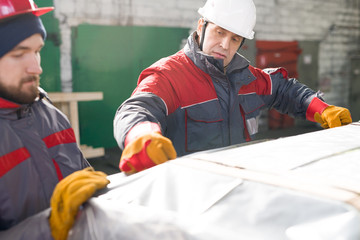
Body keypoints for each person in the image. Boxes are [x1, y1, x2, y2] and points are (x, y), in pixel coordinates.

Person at [113, 0, 352, 174]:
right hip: (186, 195)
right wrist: (142, 137)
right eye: (219, 32)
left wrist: (321, 108)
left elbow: (283, 89)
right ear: (201, 26)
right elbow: (136, 109)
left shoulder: (246, 78)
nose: (225, 45)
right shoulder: (170, 75)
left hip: (238, 186)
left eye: (235, 38)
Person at [0, 1, 109, 239]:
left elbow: (83, 178)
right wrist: (47, 228)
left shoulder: (50, 115)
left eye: (37, 51)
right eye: (19, 54)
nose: (36, 68)